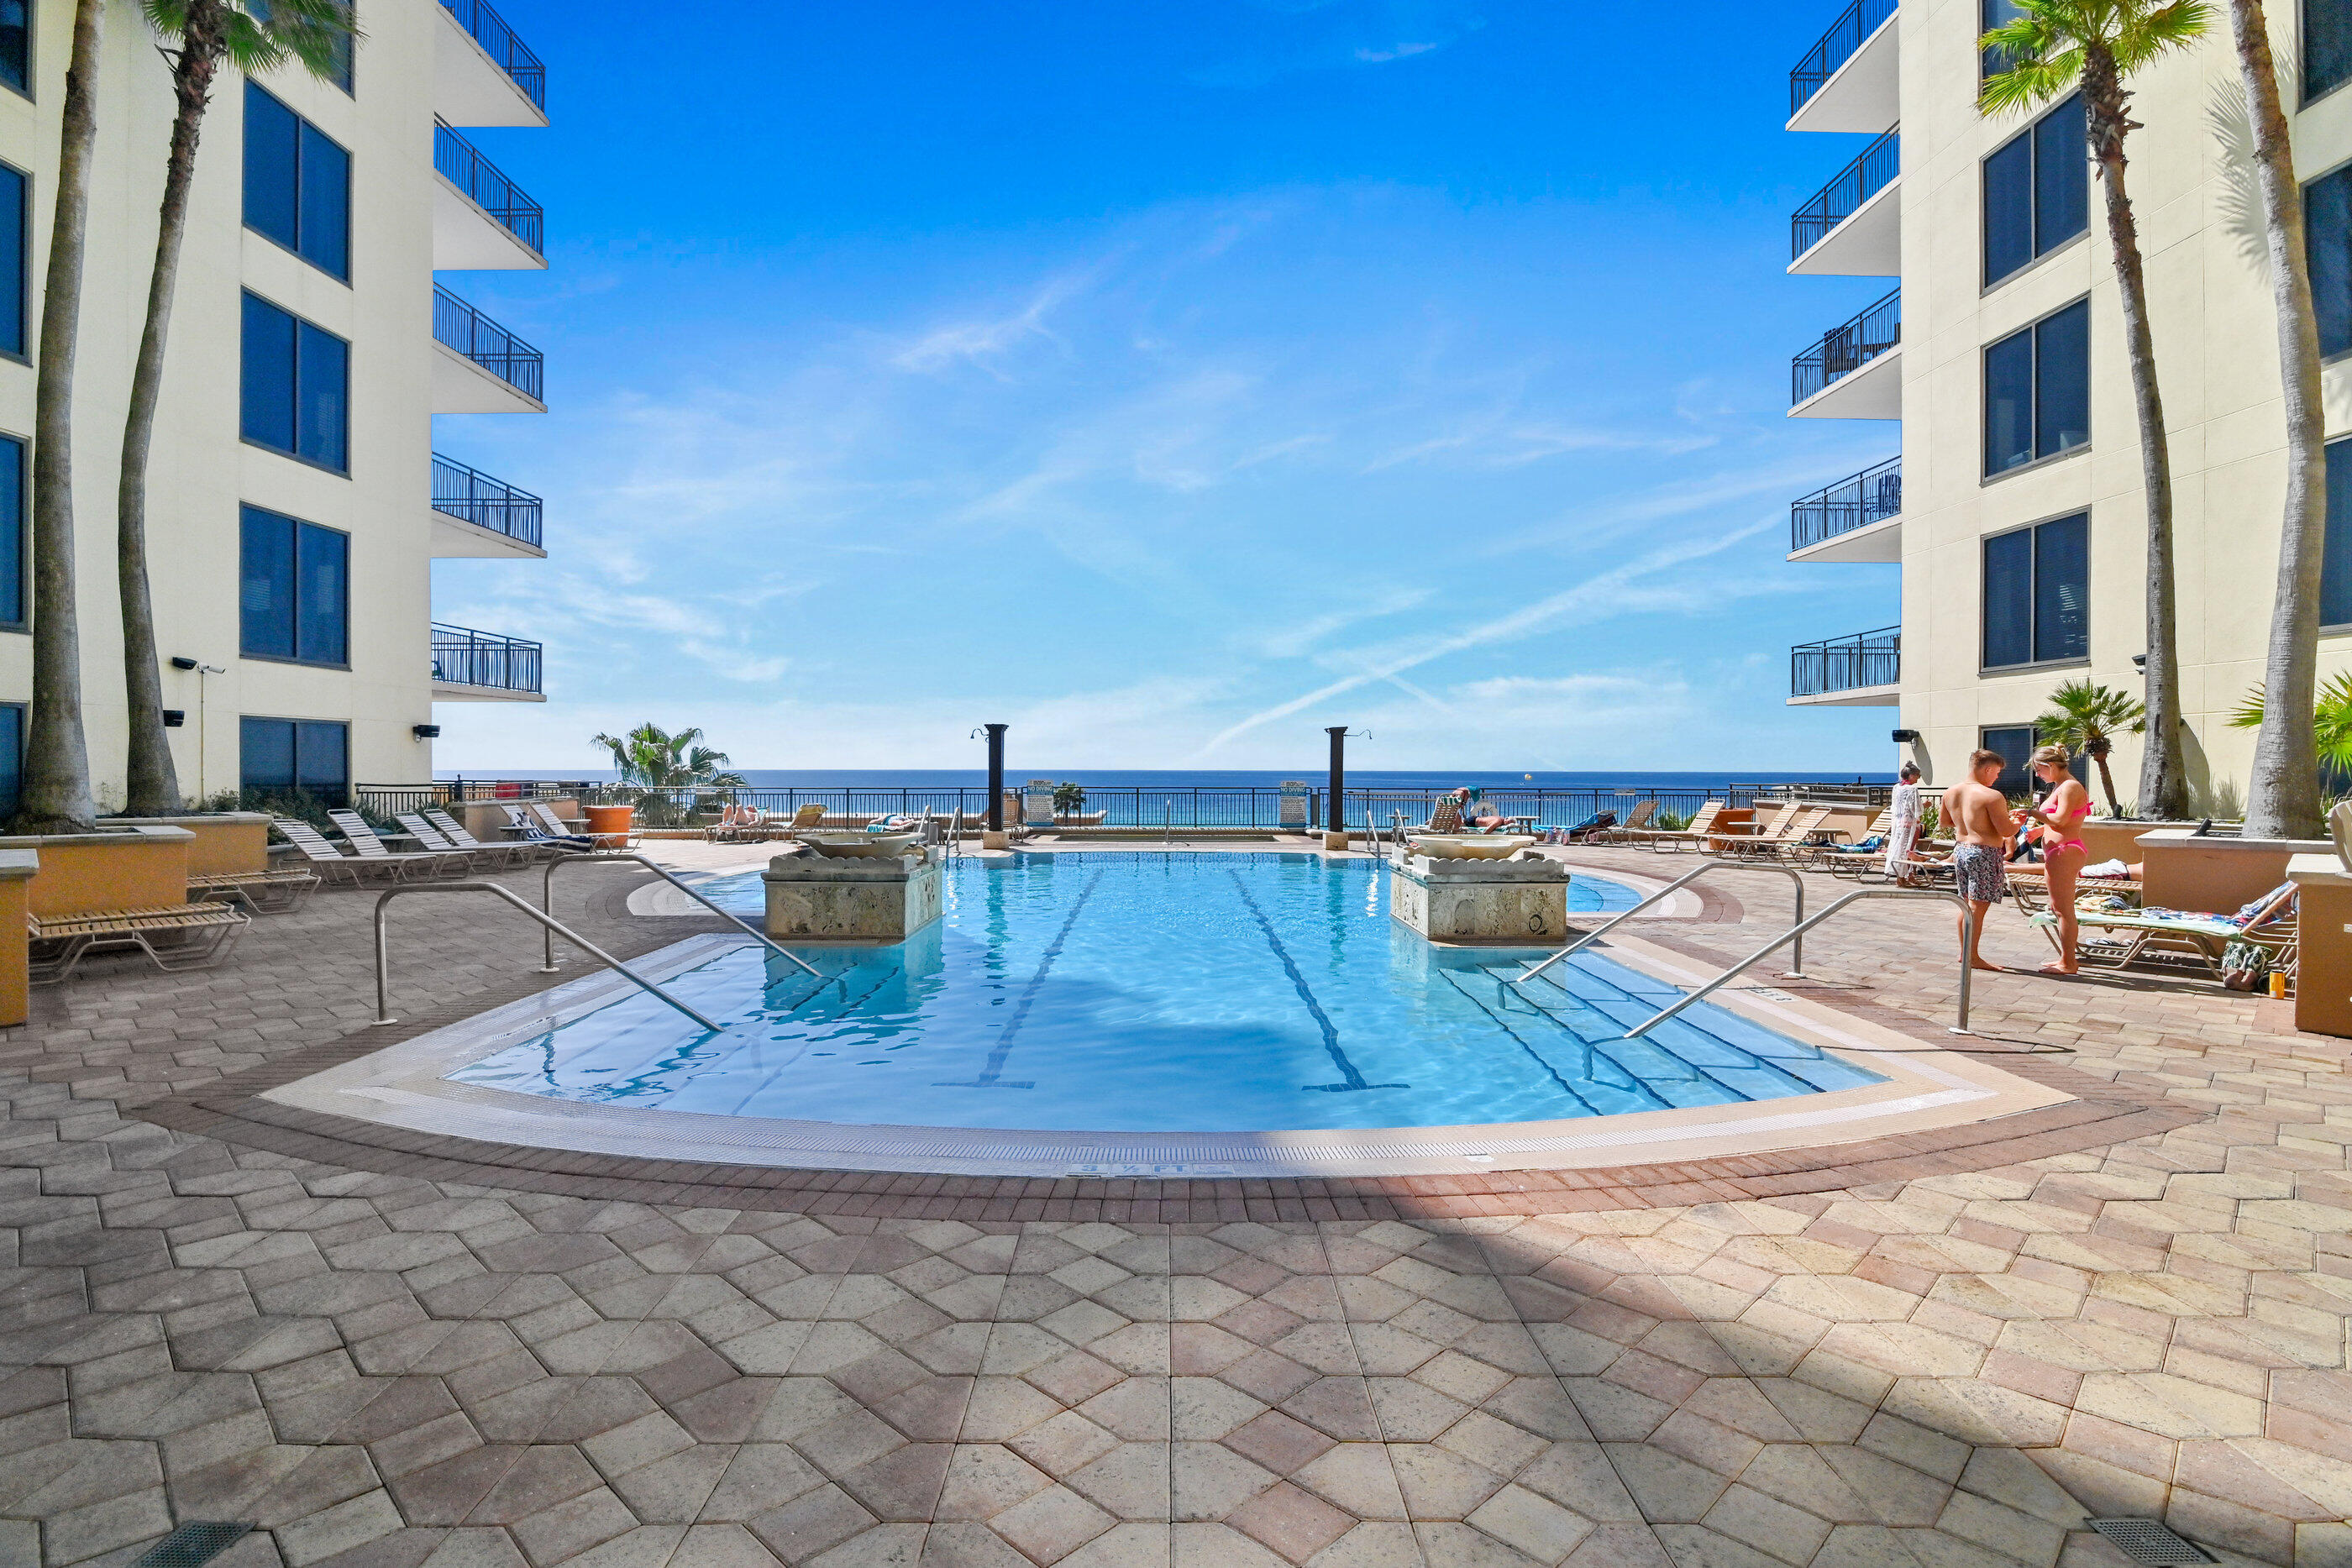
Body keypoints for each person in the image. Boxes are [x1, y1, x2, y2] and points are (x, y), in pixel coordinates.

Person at [1941, 748, 2021, 972]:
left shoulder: (1951, 792)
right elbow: (2006, 830)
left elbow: (1946, 822)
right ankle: (1972, 956)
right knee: (1978, 907)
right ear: (1987, 769)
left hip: (1961, 850)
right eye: (1996, 773)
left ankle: (1965, 952)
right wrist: (2018, 821)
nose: (1997, 778)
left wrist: (1970, 822)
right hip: (1984, 852)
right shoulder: (1991, 795)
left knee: (1966, 904)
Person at [2019, 744, 2091, 974]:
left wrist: (2031, 813)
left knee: (2063, 910)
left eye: (2038, 770)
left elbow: (2059, 820)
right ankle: (2065, 958)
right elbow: (2068, 820)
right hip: (2060, 849)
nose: (2037, 775)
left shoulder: (2070, 787)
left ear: (2051, 766)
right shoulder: (2061, 786)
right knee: (2058, 907)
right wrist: (2040, 831)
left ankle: (2069, 963)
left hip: (2064, 851)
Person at [1885, 763, 1924, 885]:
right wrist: (1926, 805)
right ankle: (1903, 877)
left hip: (1898, 823)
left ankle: (1905, 876)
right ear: (1911, 775)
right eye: (1917, 775)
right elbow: (1917, 808)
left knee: (1899, 850)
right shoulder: (1912, 789)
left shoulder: (1897, 787)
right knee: (1909, 850)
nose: (1918, 778)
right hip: (1909, 824)